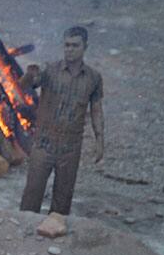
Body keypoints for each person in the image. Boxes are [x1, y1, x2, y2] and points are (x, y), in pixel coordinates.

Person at [19, 26, 105, 238]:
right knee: (32, 194)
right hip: (44, 142)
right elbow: (25, 86)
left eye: (75, 45)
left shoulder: (93, 78)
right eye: (66, 45)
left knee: (63, 199)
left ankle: (55, 244)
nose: (70, 50)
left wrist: (100, 140)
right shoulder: (50, 71)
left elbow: (96, 109)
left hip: (70, 146)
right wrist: (29, 75)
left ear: (85, 47)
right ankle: (20, 238)